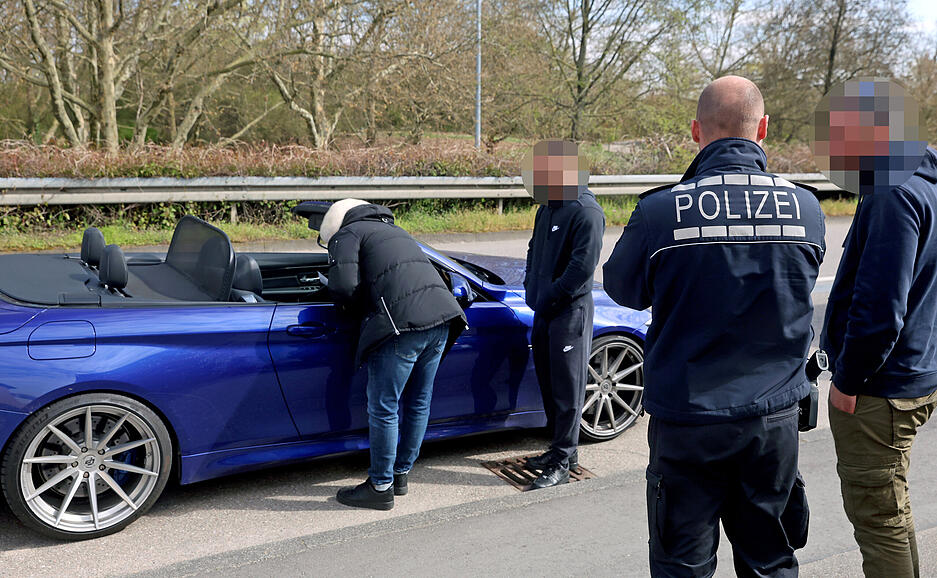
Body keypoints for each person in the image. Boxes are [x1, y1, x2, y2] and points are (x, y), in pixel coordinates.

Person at [603, 76, 824, 576]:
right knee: (769, 561)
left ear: (696, 132)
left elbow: (623, 290)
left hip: (688, 422)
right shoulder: (806, 209)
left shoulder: (661, 210)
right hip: (772, 422)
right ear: (763, 128)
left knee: (682, 566)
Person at [818, 79, 937, 577]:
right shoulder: (926, 180)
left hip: (879, 390)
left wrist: (847, 383)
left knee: (878, 518)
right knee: (892, 508)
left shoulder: (893, 193)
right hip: (915, 372)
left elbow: (879, 308)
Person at [322, 198, 467, 510]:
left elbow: (344, 286)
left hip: (402, 327)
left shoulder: (347, 235)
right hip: (443, 320)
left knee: (384, 407)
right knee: (418, 402)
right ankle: (400, 476)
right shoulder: (394, 230)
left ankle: (380, 486)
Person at [522, 139, 605, 489]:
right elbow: (532, 249)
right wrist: (531, 289)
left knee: (568, 388)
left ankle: (563, 460)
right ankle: (560, 451)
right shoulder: (548, 208)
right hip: (543, 310)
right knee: (548, 382)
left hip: (569, 312)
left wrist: (553, 296)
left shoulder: (586, 210)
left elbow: (582, 267)